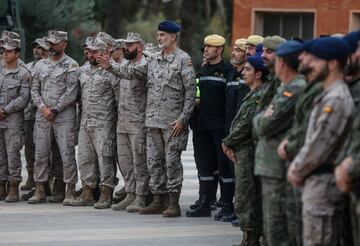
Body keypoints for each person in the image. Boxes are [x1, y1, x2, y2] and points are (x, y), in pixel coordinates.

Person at [98, 20, 196, 217]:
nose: (159, 38)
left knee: (171, 162)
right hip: (152, 122)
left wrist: (182, 119)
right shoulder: (153, 60)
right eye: (158, 35)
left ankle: (173, 203)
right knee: (153, 162)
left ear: (173, 37)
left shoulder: (182, 60)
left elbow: (191, 92)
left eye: (162, 35)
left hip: (172, 123)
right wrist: (111, 67)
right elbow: (131, 72)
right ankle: (158, 200)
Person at [287, 37, 353, 246]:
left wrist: (297, 169)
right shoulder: (328, 94)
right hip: (316, 183)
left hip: (324, 185)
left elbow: (320, 142)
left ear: (332, 64)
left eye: (317, 60)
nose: (310, 65)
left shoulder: (336, 98)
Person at [277, 38, 323, 246]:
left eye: (308, 55)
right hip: (298, 161)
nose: (302, 58)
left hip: (315, 169)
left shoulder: (309, 88)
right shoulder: (310, 86)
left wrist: (291, 148)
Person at [186, 34, 235, 220]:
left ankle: (226, 203)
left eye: (210, 47)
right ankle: (205, 201)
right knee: (204, 165)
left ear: (219, 50)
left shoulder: (227, 71)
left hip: (219, 127)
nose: (205, 50)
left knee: (223, 166)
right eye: (204, 46)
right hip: (201, 125)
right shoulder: (203, 70)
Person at [222, 54, 268, 246]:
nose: (243, 72)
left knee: (246, 197)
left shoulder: (259, 96)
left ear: (258, 74)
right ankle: (248, 238)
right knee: (244, 197)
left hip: (248, 152)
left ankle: (251, 239)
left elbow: (246, 124)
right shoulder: (252, 93)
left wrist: (227, 142)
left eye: (248, 69)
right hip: (242, 150)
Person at [29, 30, 79, 205]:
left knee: (67, 154)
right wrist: (43, 108)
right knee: (40, 154)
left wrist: (55, 109)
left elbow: (71, 93)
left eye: (55, 43)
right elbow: (34, 89)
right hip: (43, 116)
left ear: (64, 44)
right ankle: (40, 189)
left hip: (63, 116)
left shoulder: (72, 65)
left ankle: (70, 191)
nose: (50, 46)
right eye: (49, 43)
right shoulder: (40, 65)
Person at [69, 38, 118, 209]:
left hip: (104, 123)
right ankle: (87, 192)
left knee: (105, 158)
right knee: (84, 158)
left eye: (94, 51)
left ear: (104, 52)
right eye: (88, 51)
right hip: (85, 122)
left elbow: (119, 99)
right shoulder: (82, 71)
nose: (90, 54)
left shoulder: (112, 71)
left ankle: (106, 193)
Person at [111, 32, 150, 212]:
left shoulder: (145, 65)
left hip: (138, 123)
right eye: (125, 45)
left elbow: (127, 73)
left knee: (139, 162)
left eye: (130, 45)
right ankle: (131, 194)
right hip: (123, 122)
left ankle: (141, 197)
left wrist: (108, 64)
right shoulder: (125, 64)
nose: (126, 48)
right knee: (125, 162)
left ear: (140, 47)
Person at [0, 38, 31, 202]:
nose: (5, 53)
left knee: (12, 154)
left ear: (17, 53)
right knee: (0, 154)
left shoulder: (23, 74)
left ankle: (13, 186)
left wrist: (5, 110)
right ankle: (1, 184)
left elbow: (24, 97)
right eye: (3, 50)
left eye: (9, 51)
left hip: (13, 119)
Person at [22, 38, 50, 191]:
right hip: (28, 114)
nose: (37, 50)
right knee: (30, 148)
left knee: (47, 150)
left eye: (41, 48)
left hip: (44, 113)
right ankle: (32, 178)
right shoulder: (26, 67)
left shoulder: (49, 67)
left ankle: (48, 181)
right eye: (35, 47)